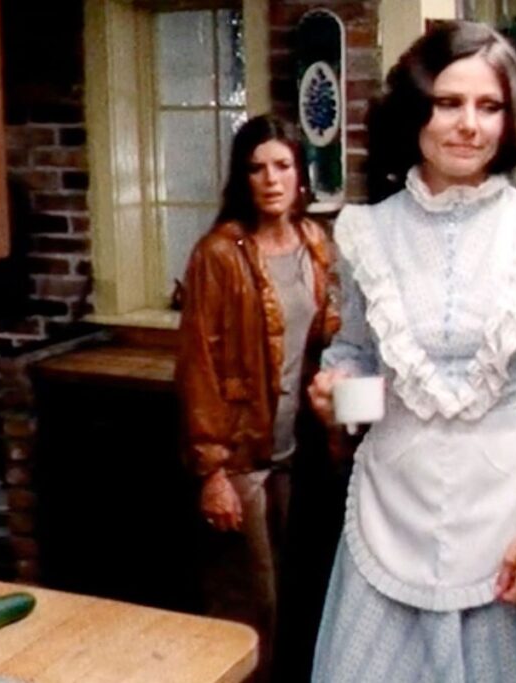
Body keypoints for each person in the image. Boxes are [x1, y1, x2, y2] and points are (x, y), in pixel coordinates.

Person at [306, 21, 516, 682]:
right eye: (449, 102)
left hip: (504, 522)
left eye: (489, 105)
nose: (469, 124)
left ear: (508, 120)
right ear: (416, 108)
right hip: (388, 514)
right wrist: (340, 394)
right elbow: (361, 363)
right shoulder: (366, 234)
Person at [176, 114, 340, 682]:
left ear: (300, 174)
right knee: (253, 610)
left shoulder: (317, 244)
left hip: (306, 456)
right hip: (244, 460)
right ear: (241, 178)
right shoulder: (218, 254)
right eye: (256, 168)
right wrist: (212, 473)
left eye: (282, 165)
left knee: (306, 600)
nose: (270, 179)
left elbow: (333, 346)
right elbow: (198, 367)